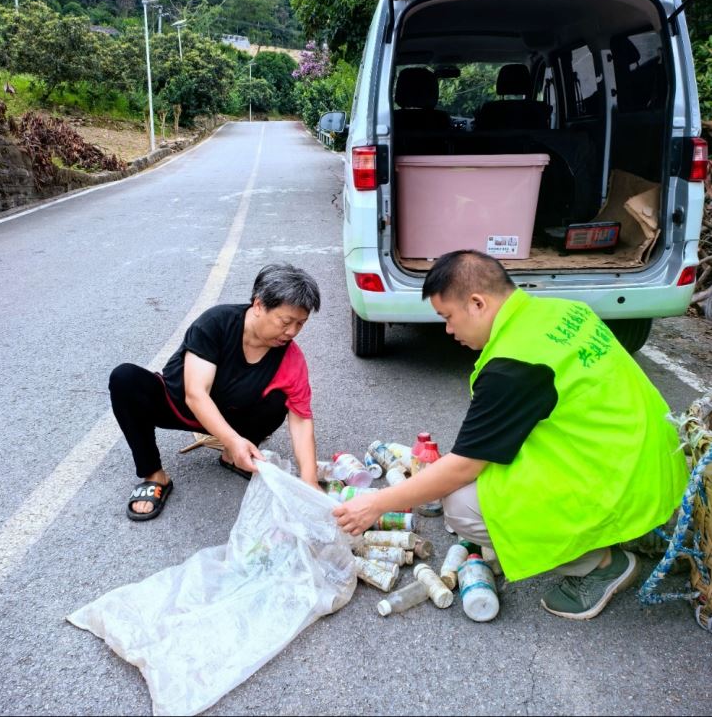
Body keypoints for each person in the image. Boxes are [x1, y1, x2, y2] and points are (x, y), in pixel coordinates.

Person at [334, 250, 687, 620]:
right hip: (658, 463)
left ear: (477, 303)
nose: (449, 330)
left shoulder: (512, 365)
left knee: (462, 505)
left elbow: (463, 467)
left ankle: (601, 565)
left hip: (619, 481)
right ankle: (642, 528)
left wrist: (376, 504)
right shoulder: (564, 311)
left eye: (448, 317)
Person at [110, 263, 321, 521]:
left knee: (279, 400)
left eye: (301, 323)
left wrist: (310, 481)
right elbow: (195, 394)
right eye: (286, 321)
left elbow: (301, 419)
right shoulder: (216, 323)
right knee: (125, 379)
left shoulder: (291, 357)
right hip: (179, 405)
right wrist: (232, 439)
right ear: (258, 305)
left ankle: (233, 456)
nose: (292, 332)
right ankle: (154, 474)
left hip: (233, 415)